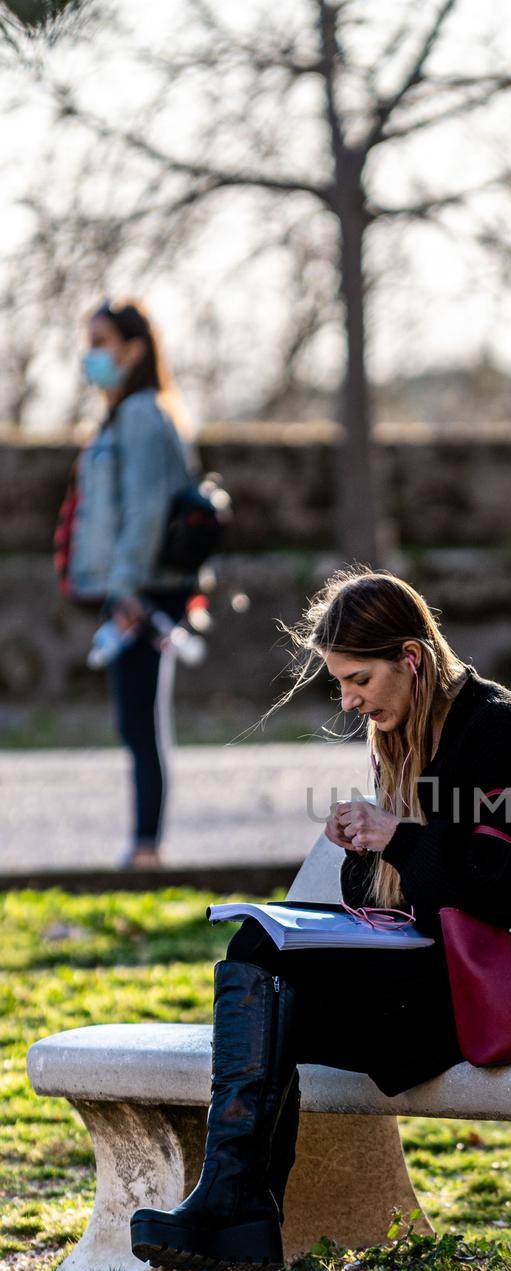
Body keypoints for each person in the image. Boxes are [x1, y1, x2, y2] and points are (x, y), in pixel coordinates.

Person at [130, 569, 511, 1271]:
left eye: (359, 679)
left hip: (489, 996)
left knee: (268, 977)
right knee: (263, 957)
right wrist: (364, 851)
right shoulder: (400, 734)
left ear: (413, 658)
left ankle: (235, 1252)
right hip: (425, 980)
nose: (348, 701)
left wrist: (397, 836)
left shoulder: (499, 734)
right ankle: (237, 1255)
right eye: (340, 683)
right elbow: (400, 896)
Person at [67, 299, 194, 867]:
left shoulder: (141, 414)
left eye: (101, 342)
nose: (92, 355)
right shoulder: (130, 413)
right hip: (134, 587)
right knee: (136, 720)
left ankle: (147, 849)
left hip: (139, 593)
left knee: (139, 721)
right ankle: (146, 844)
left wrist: (124, 591)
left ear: (134, 348)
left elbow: (144, 513)